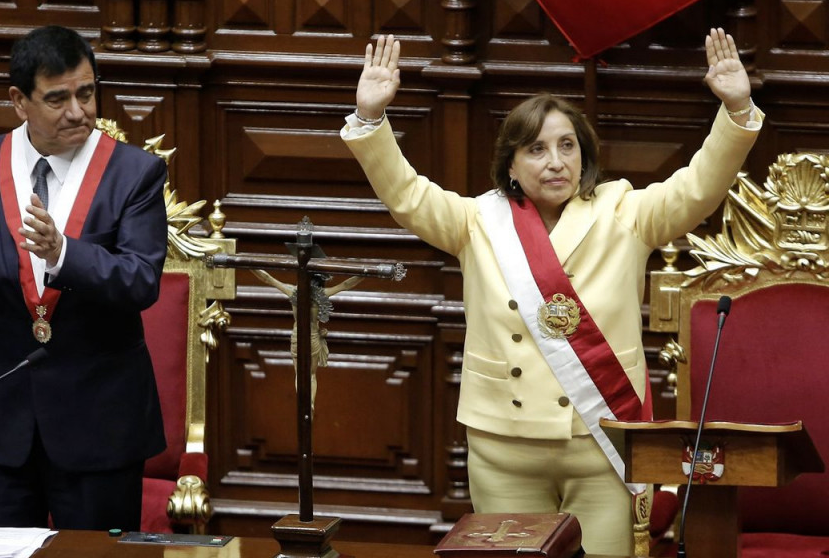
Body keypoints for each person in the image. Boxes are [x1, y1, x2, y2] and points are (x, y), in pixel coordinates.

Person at [342, 29, 761, 554]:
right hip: (504, 444)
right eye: (536, 149)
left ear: (584, 156)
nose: (556, 161)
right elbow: (406, 194)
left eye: (567, 146)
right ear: (511, 166)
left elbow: (699, 186)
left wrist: (736, 108)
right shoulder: (477, 221)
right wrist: (371, 118)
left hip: (602, 440)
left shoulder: (626, 212)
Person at [0, 25, 169, 531]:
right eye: (57, 99)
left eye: (87, 93)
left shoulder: (135, 173)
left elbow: (141, 280)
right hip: (2, 427)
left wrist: (64, 253)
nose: (78, 111)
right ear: (19, 101)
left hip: (100, 426)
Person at [250, 269, 364, 409]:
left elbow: (267, 278)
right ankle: (310, 403)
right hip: (313, 336)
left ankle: (303, 403)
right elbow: (346, 285)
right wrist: (364, 274)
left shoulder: (293, 291)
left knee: (299, 373)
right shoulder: (321, 294)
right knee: (311, 375)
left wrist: (250, 266)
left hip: (298, 335)